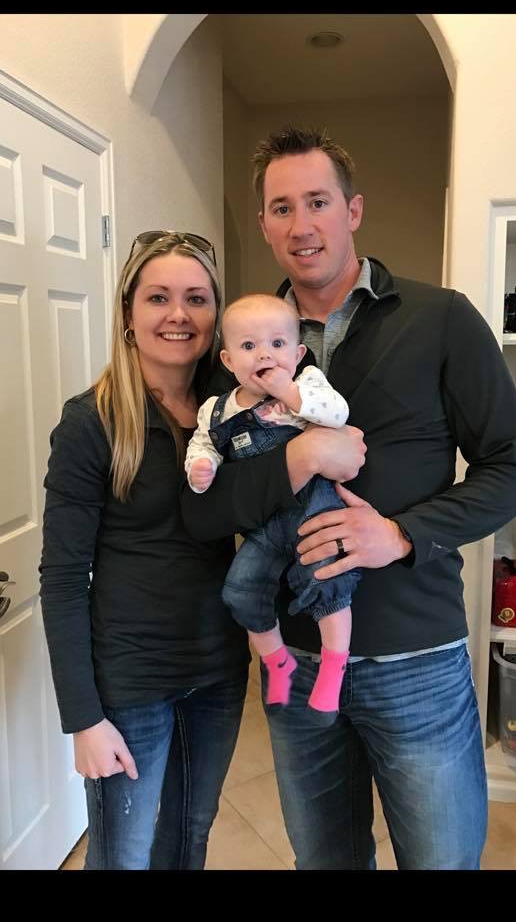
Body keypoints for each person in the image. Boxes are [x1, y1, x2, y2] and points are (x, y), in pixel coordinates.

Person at [181, 126, 516, 870]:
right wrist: (301, 457)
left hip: (418, 656)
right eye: (282, 208)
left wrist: (401, 535)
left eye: (318, 202)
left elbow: (512, 468)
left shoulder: (440, 319)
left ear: (353, 210)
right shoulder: (241, 347)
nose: (301, 225)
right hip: (296, 659)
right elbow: (208, 509)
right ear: (264, 225)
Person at [39, 230, 253, 871]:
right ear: (128, 315)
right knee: (122, 857)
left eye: (196, 298)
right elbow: (62, 577)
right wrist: (83, 719)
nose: (178, 314)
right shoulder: (91, 422)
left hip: (218, 669)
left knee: (189, 838)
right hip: (128, 685)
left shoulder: (234, 414)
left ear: (216, 316)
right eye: (158, 297)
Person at [185, 293, 361, 724]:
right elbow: (203, 444)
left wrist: (290, 393)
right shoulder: (217, 409)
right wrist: (201, 467)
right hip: (263, 527)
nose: (265, 354)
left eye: (278, 344)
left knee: (326, 581)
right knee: (240, 590)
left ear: (297, 354)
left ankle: (333, 668)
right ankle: (277, 661)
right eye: (249, 346)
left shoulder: (308, 384)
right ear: (229, 360)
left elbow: (337, 414)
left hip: (312, 515)